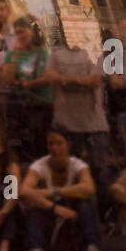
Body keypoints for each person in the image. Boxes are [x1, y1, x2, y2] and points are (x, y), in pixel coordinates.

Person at [43, 38, 115, 219]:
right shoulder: (56, 52)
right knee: (66, 171)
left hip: (94, 124)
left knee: (101, 170)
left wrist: (64, 80)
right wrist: (79, 80)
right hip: (65, 124)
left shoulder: (94, 49)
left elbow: (94, 81)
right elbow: (50, 77)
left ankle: (106, 214)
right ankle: (72, 213)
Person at [20, 130, 104, 251]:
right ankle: (36, 249)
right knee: (32, 206)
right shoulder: (39, 165)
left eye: (59, 143)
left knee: (86, 202)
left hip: (72, 206)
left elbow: (89, 188)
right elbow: (24, 191)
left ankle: (92, 246)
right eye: (51, 144)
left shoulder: (78, 165)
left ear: (68, 145)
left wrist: (54, 191)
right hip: (50, 207)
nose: (54, 148)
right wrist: (55, 208)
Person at [0, 20, 52, 162]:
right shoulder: (12, 55)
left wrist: (25, 84)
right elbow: (6, 79)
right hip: (21, 108)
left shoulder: (42, 53)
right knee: (27, 148)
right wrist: (16, 54)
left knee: (43, 144)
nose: (19, 36)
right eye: (16, 33)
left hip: (42, 105)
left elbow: (48, 78)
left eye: (22, 32)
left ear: (31, 32)